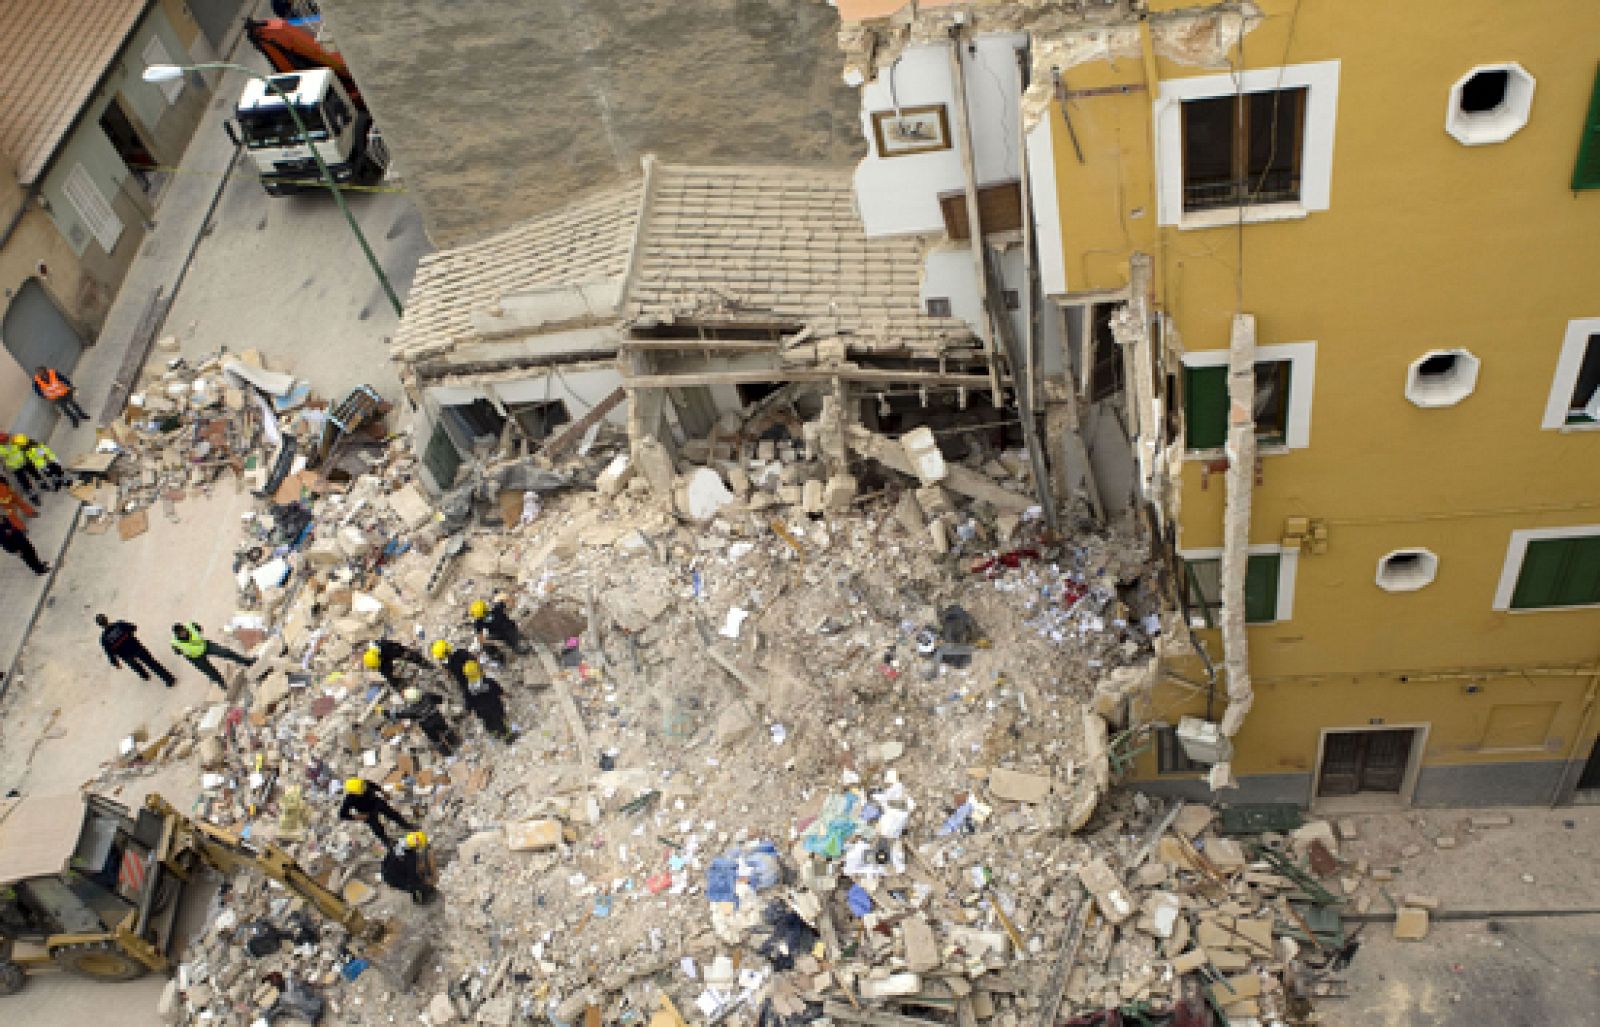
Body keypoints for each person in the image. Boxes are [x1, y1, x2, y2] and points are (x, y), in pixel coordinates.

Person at [96, 614, 176, 686]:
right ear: (107, 619)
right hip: (136, 647)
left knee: (135, 666)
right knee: (152, 663)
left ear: (99, 625)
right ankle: (169, 679)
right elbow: (133, 627)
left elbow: (109, 653)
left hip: (126, 655)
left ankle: (144, 676)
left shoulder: (104, 639)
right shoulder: (119, 624)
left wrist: (115, 663)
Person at [170, 622, 254, 688]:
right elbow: (177, 652)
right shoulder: (175, 643)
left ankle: (247, 662)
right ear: (177, 635)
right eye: (180, 634)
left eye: (183, 631)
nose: (183, 633)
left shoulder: (190, 625)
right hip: (195, 657)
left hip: (205, 645)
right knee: (210, 671)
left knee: (226, 652)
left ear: (184, 628)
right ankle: (222, 684)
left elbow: (200, 629)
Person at [338, 777, 415, 848]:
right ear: (353, 792)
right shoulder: (349, 799)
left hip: (376, 802)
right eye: (361, 789)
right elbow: (342, 814)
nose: (364, 789)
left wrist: (384, 793)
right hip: (366, 812)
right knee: (377, 828)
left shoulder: (364, 783)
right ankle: (387, 841)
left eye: (363, 786)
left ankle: (406, 825)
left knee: (393, 814)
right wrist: (357, 816)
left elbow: (375, 786)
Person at [395, 687, 461, 757]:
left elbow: (398, 715)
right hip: (438, 718)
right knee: (446, 730)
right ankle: (455, 742)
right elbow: (440, 699)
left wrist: (383, 711)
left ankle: (447, 754)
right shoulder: (428, 696)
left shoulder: (410, 710)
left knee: (436, 740)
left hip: (427, 726)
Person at [379, 831, 438, 905]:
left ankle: (419, 890)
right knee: (415, 885)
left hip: (389, 869)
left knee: (416, 879)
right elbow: (412, 877)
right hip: (393, 878)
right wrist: (424, 882)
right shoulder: (410, 859)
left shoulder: (400, 845)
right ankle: (420, 898)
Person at [461, 660, 513, 742]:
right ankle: (508, 737)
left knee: (488, 722)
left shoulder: (468, 689)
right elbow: (499, 690)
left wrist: (468, 711)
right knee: (500, 721)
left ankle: (495, 733)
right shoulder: (488, 682)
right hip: (494, 706)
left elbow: (468, 702)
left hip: (481, 712)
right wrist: (507, 695)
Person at [363, 639, 430, 690]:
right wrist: (400, 687)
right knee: (391, 677)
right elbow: (388, 675)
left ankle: (425, 664)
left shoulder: (385, 646)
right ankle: (403, 687)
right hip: (384, 660)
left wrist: (406, 653)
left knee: (410, 655)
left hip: (392, 651)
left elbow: (401, 650)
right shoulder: (375, 662)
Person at [0, 434, 41, 503]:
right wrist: (6, 469)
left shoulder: (13, 441)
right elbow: (2, 460)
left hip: (24, 461)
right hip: (15, 467)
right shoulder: (1, 450)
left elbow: (23, 446)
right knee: (24, 482)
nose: (7, 441)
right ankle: (33, 495)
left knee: (34, 472)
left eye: (7, 439)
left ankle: (41, 482)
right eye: (4, 440)